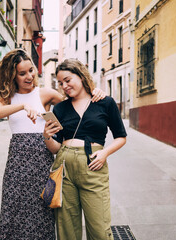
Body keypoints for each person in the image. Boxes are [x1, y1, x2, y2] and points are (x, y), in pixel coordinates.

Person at [0, 49, 105, 240]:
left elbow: (75, 100)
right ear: (12, 76)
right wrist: (22, 106)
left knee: (42, 209)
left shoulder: (45, 93)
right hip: (16, 163)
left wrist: (94, 91)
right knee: (13, 208)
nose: (29, 76)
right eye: (22, 73)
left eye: (31, 70)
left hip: (42, 158)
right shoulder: (8, 97)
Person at [43, 59, 127, 240]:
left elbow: (121, 137)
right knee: (66, 228)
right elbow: (55, 148)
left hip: (93, 165)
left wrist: (105, 153)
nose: (64, 86)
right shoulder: (60, 108)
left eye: (68, 80)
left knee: (99, 228)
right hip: (64, 167)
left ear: (81, 76)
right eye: (60, 83)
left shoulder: (105, 102)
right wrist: (47, 136)